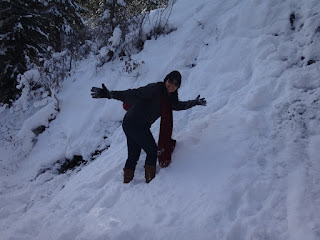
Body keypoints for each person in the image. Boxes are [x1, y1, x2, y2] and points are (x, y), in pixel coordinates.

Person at [91, 71, 206, 183]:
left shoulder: (169, 99)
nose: (172, 85)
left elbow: (179, 105)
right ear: (166, 79)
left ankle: (127, 182)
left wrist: (194, 102)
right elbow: (134, 94)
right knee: (151, 151)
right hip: (135, 123)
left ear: (178, 87)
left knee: (134, 154)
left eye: (176, 84)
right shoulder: (155, 89)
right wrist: (110, 94)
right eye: (170, 81)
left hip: (132, 124)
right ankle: (151, 182)